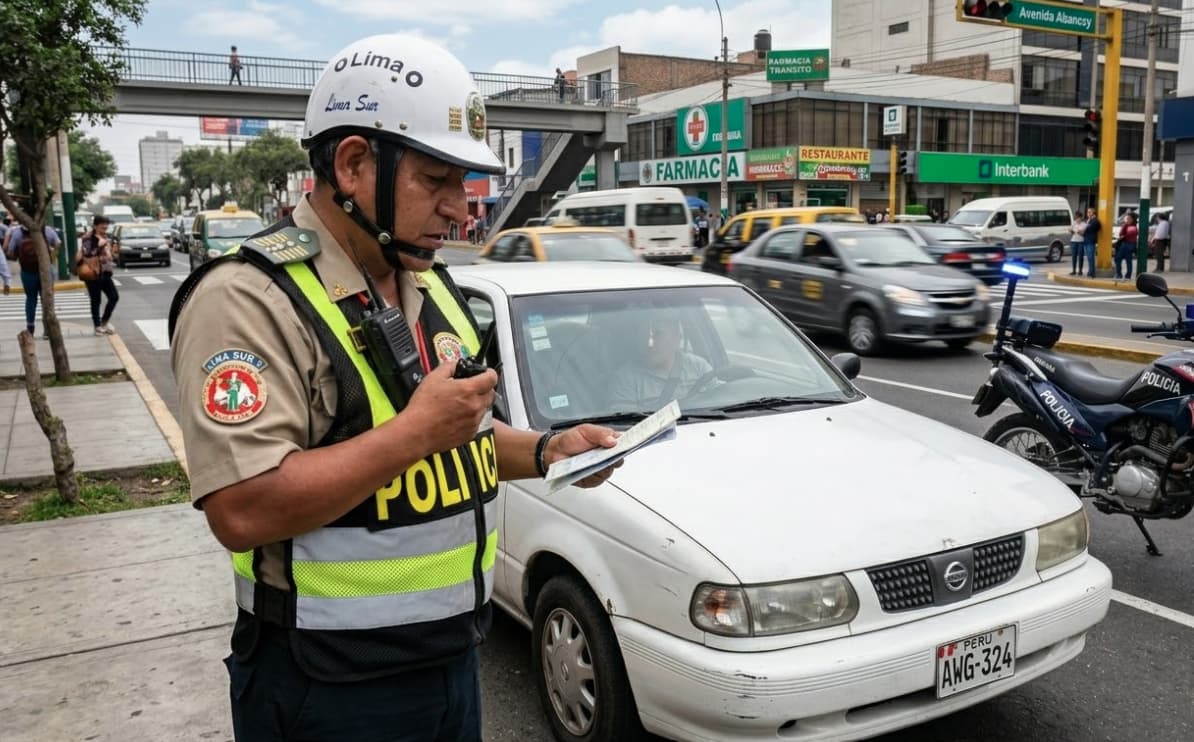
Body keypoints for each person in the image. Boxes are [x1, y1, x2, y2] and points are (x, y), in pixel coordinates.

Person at [168, 34, 622, 741]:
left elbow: (462, 429)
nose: (461, 210)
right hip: (325, 687)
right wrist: (414, 433)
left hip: (448, 664)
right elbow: (242, 508)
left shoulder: (426, 280)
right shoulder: (248, 298)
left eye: (466, 186)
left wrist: (548, 450)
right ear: (353, 164)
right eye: (437, 180)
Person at [608, 313, 715, 410]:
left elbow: (721, 395)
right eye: (644, 335)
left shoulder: (699, 367)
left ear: (676, 338)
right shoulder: (626, 378)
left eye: (657, 334)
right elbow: (627, 424)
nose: (649, 343)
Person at [6, 221, 62, 337]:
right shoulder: (47, 230)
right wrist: (51, 257)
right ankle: (47, 329)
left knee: (31, 299)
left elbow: (10, 252)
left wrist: (19, 255)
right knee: (46, 300)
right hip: (46, 270)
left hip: (27, 271)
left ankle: (30, 327)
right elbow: (58, 243)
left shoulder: (17, 233)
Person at [78, 215, 119, 334]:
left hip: (105, 272)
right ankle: (97, 326)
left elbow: (109, 255)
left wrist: (113, 252)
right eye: (102, 225)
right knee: (96, 300)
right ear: (95, 225)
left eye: (106, 225)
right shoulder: (88, 237)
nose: (105, 227)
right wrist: (99, 245)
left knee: (114, 297)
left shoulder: (105, 237)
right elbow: (88, 253)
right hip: (93, 272)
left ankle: (104, 322)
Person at [1114, 212, 1138, 281]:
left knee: (1119, 259)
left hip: (1128, 245)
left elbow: (1125, 235)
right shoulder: (1126, 225)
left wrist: (1121, 237)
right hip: (1126, 244)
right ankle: (1125, 275)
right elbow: (1121, 234)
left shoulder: (1132, 227)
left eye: (1129, 218)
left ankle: (1121, 274)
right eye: (1126, 218)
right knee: (1127, 260)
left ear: (1133, 219)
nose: (1127, 219)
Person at [1083, 206, 1101, 278]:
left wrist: (1085, 227)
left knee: (1091, 257)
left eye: (1089, 212)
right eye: (1087, 212)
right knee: (1088, 257)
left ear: (1093, 213)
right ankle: (1090, 271)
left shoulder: (1095, 221)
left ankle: (1092, 272)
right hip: (1086, 240)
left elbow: (1088, 229)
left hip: (1091, 241)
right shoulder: (1089, 220)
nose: (1088, 213)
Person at [1069, 210, 1086, 276]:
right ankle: (1073, 270)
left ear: (1081, 217)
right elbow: (1071, 231)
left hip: (1080, 241)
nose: (1077, 219)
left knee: (1080, 256)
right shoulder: (1074, 223)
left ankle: (1080, 270)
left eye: (1078, 218)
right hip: (1073, 241)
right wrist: (1071, 231)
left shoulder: (1084, 224)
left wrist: (1079, 232)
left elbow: (1083, 233)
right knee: (1074, 256)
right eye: (1076, 218)